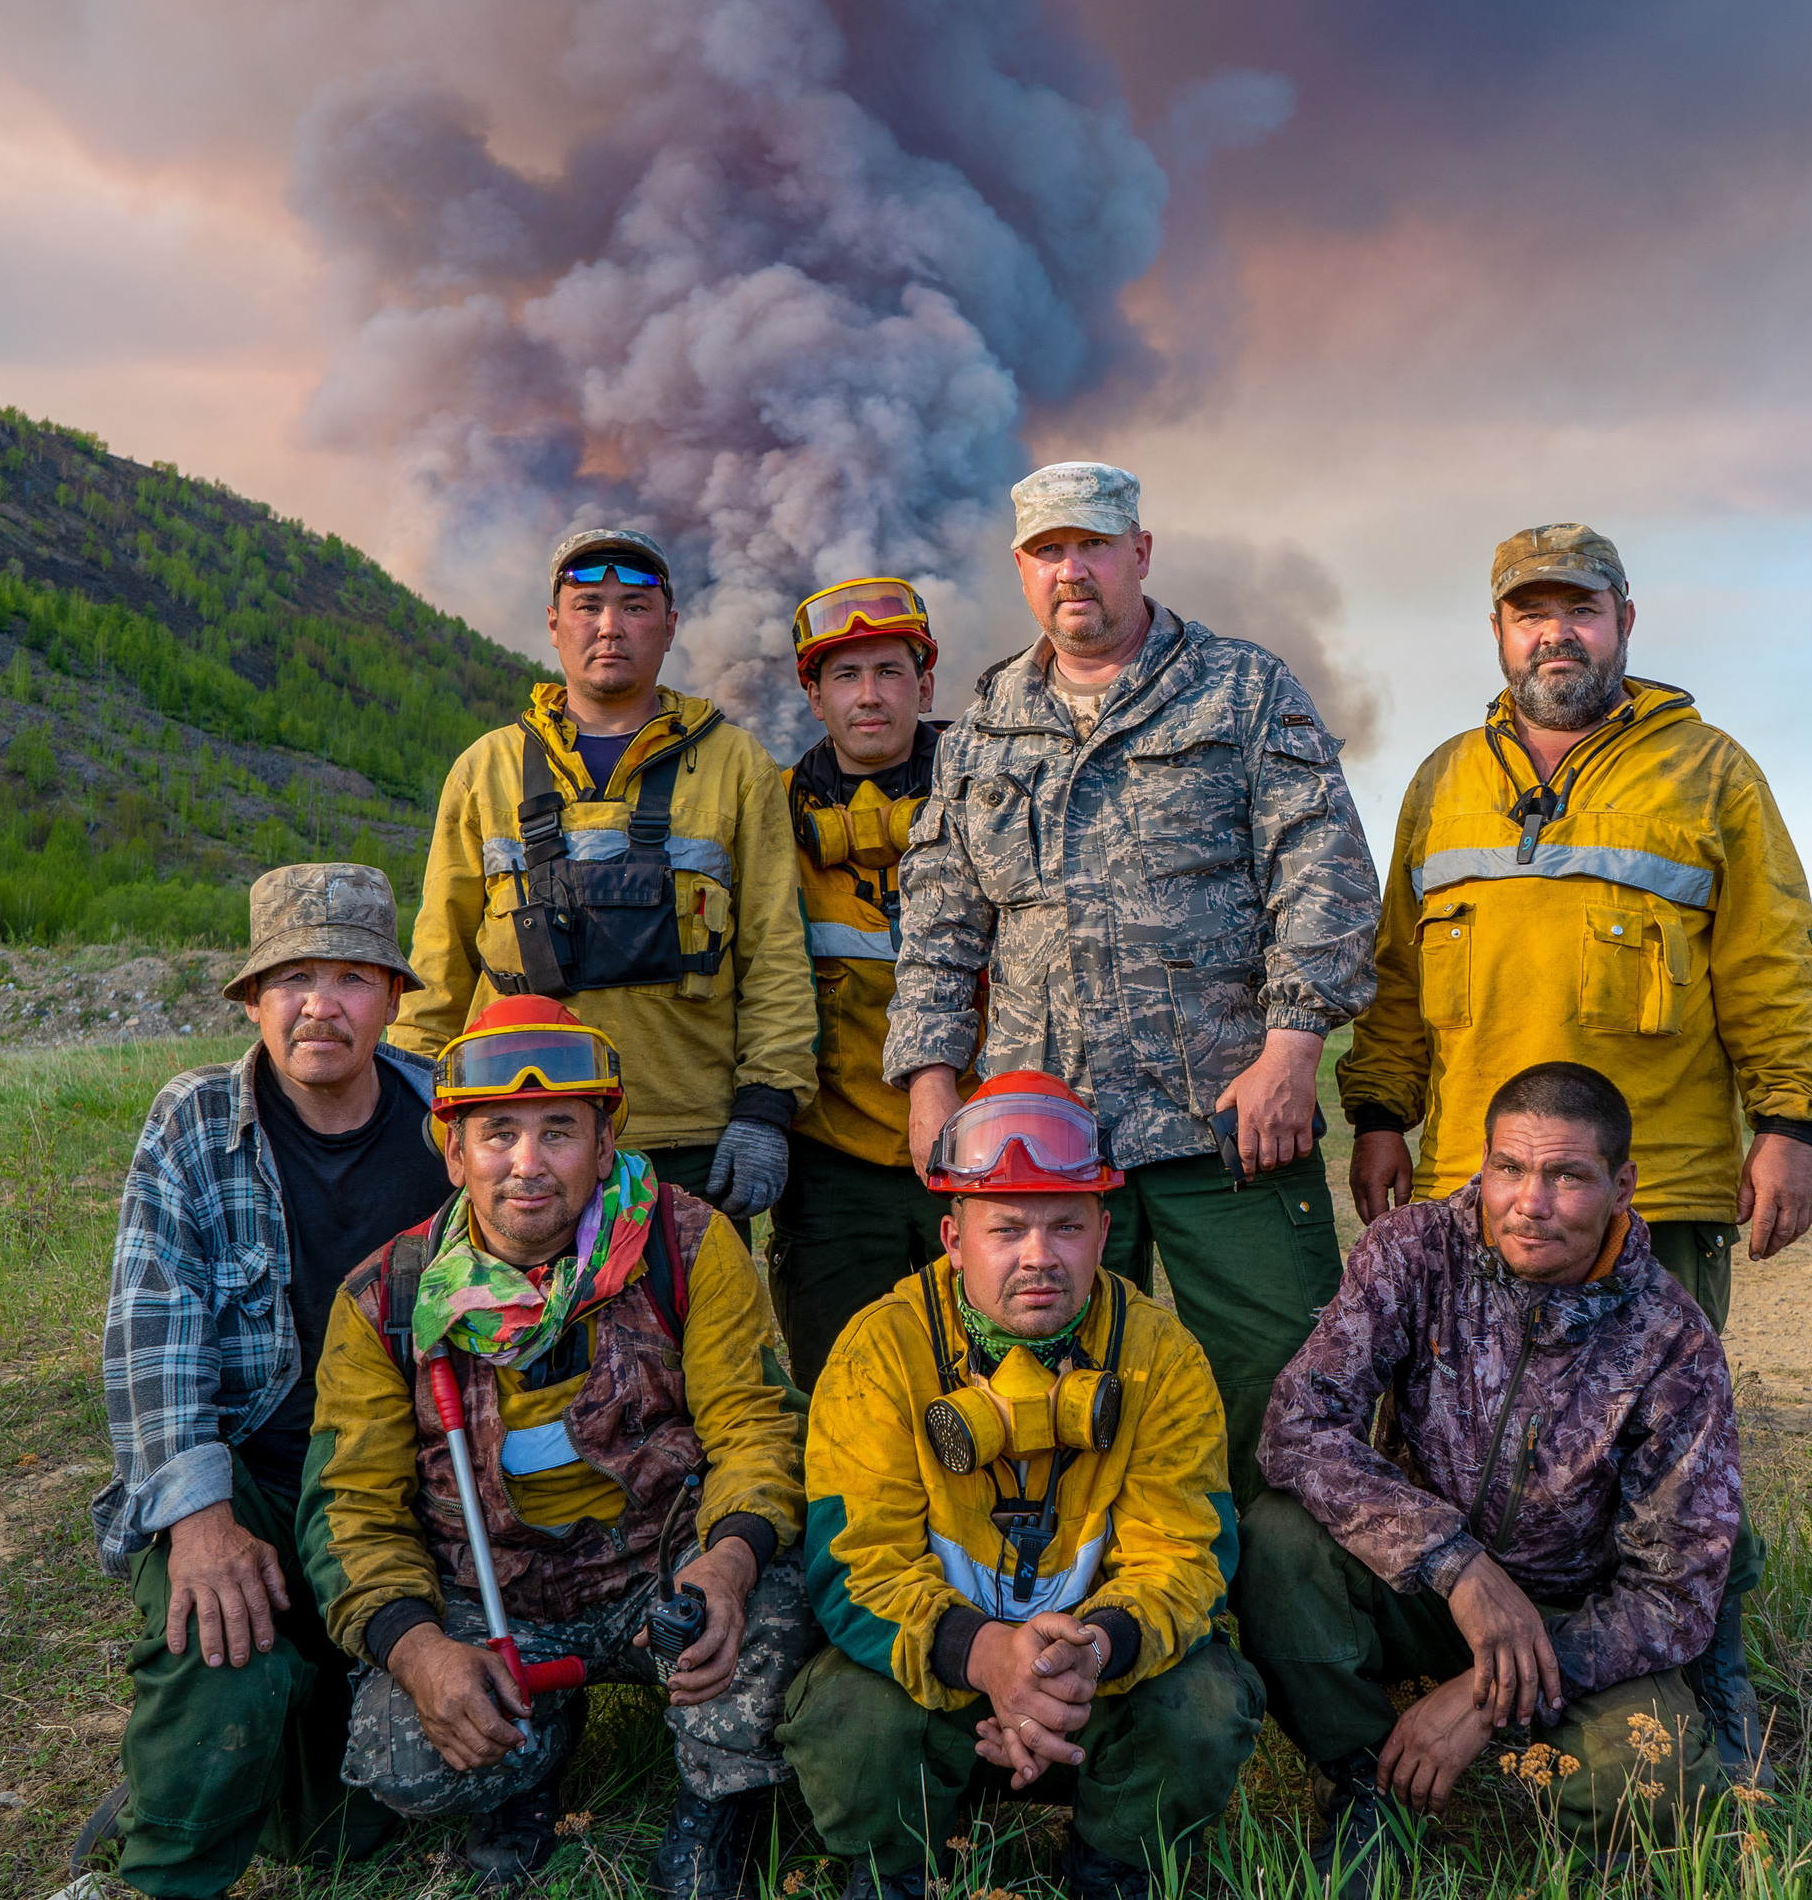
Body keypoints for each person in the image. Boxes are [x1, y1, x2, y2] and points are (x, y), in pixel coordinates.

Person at [1335, 522, 1812, 1777]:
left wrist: (1786, 1122)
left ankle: (1702, 1704)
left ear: (1624, 620)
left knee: (1666, 1468)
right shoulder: (1445, 778)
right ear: (1497, 631)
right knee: (1458, 1444)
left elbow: (1770, 957)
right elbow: (1398, 971)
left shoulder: (1707, 772)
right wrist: (1384, 1109)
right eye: (1528, 612)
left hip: (1651, 1183)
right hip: (1472, 1183)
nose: (1553, 632)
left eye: (1579, 609)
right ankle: (1457, 1674)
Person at [884, 461, 1380, 1511]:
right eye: (1048, 551)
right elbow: (936, 915)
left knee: (1278, 1390)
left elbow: (1324, 874)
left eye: (1094, 546)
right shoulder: (984, 724)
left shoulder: (1241, 690)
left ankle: (1274, 1637)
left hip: (1228, 1126)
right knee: (1058, 1398)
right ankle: (1093, 1630)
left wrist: (1292, 1049)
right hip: (1046, 1148)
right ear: (1022, 569)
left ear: (1138, 553)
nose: (1073, 571)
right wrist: (929, 1076)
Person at [303, 997, 816, 1898]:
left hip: (670, 1568)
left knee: (783, 1616)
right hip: (492, 1592)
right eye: (497, 1135)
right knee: (399, 1751)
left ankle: (717, 1800)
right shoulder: (382, 1300)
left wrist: (730, 1562)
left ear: (605, 1140)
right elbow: (351, 1509)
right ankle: (532, 1755)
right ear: (454, 1152)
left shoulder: (689, 1246)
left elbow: (755, 1427)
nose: (527, 1165)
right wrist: (421, 1651)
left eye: (558, 1131)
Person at [1239, 1063, 1741, 1889]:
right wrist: (1453, 1560)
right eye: (1509, 1167)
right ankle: (1372, 1780)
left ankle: (1535, 1788)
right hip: (1421, 1585)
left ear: (1623, 1186)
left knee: (1657, 1782)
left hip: (1570, 1618)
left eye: (1566, 1176)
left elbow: (1676, 1593)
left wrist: (1486, 1694)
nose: (1528, 1202)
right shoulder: (1414, 1250)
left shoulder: (1673, 1341)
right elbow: (1298, 1425)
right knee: (1276, 1541)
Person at [780, 1073, 1266, 1900]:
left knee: (1207, 1700)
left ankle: (1114, 1865)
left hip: (1093, 1680)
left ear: (1105, 1232)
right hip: (942, 1673)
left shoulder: (1161, 1356)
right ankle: (894, 1869)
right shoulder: (879, 1351)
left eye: (1066, 1226)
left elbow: (1186, 1558)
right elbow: (855, 1567)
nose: (1039, 1255)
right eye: (1005, 1227)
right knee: (846, 1713)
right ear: (952, 1237)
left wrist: (1089, 1654)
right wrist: (989, 1657)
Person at [83, 865, 453, 1896]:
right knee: (218, 1649)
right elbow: (148, 1337)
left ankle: (214, 1774)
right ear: (253, 999)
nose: (320, 1005)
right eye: (291, 977)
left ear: (391, 994)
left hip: (401, 1487)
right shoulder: (193, 1123)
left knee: (349, 1829)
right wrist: (198, 1518)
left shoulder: (451, 1125)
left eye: (351, 976)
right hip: (251, 1464)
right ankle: (166, 1862)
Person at [395, 526, 815, 1229]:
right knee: (516, 1340)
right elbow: (438, 965)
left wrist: (766, 1109)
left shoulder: (736, 765)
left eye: (635, 607)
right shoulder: (485, 769)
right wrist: (408, 1103)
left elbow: (775, 954)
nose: (610, 625)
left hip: (688, 1145)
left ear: (671, 626)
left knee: (698, 1340)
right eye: (588, 605)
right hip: (516, 1140)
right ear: (555, 625)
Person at [770, 575, 979, 1388]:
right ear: (812, 692)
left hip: (979, 1154)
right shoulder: (771, 815)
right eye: (845, 675)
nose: (869, 696)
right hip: (833, 1171)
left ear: (925, 685)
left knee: (992, 1396)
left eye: (889, 672)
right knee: (846, 1394)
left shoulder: (989, 792)